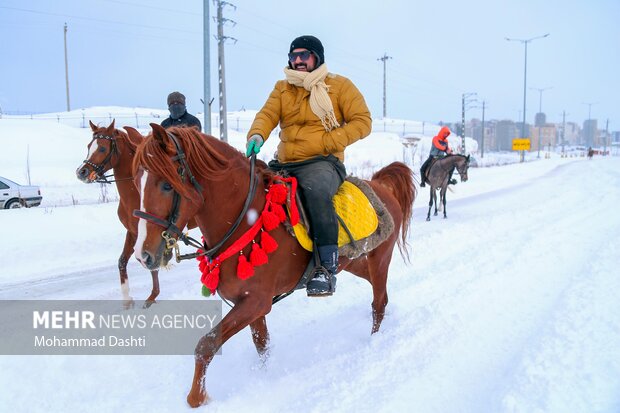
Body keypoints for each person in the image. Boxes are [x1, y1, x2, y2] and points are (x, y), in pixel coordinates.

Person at [246, 35, 372, 297]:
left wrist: (330, 140)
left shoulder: (339, 86)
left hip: (323, 162)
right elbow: (267, 115)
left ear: (317, 57)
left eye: (305, 55)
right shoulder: (283, 88)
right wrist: (256, 135)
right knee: (252, 188)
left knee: (315, 193)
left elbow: (362, 121)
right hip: (285, 162)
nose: (299, 60)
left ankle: (325, 268)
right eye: (294, 56)